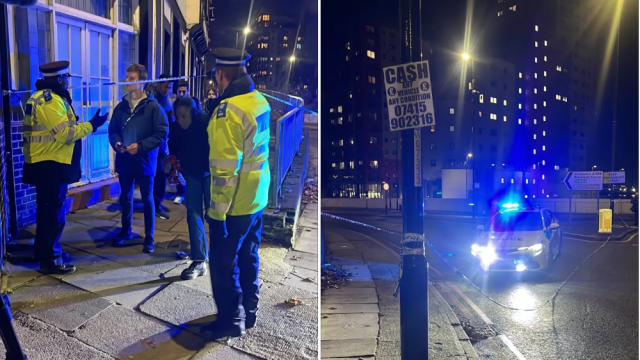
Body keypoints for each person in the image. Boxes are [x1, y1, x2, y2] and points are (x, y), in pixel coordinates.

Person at [205, 48, 271, 339]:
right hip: (257, 197)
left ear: (221, 75)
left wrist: (217, 215)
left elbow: (224, 172)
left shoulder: (226, 112)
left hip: (234, 205)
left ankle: (231, 320)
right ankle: (250, 311)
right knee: (249, 255)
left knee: (222, 262)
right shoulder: (259, 100)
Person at [22, 60, 108, 274]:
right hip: (51, 164)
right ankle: (51, 258)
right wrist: (92, 125)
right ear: (59, 79)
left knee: (45, 211)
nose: (68, 82)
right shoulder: (50, 101)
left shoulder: (40, 97)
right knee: (54, 213)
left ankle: (43, 251)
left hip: (44, 163)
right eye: (66, 78)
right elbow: (65, 134)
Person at [108, 64, 168, 253]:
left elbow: (161, 133)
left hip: (144, 161)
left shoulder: (153, 107)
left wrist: (141, 147)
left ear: (141, 82)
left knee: (147, 199)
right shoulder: (121, 106)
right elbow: (113, 130)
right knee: (125, 197)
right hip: (125, 160)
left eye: (132, 79)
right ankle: (125, 231)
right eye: (127, 78)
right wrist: (117, 143)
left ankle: (149, 237)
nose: (127, 82)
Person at [170, 98, 211, 280]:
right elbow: (174, 148)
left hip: (211, 173)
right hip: (191, 175)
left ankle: (221, 257)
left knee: (215, 215)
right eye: (177, 116)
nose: (180, 120)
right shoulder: (176, 127)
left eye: (183, 116)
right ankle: (199, 259)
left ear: (193, 113)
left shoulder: (205, 122)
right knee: (193, 215)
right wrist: (173, 163)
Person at [153, 74, 175, 220]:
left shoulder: (167, 101)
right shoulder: (152, 100)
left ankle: (157, 204)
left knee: (161, 175)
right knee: (153, 176)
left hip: (162, 146)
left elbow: (171, 123)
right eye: (166, 86)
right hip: (152, 145)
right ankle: (153, 204)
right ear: (159, 85)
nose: (168, 89)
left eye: (170, 87)